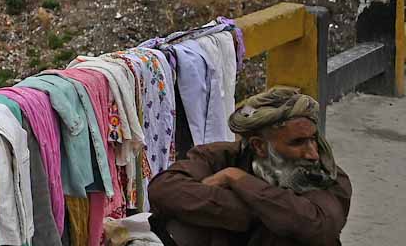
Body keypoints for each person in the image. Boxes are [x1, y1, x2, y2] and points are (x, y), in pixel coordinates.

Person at [148, 86, 351, 246]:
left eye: (313, 139)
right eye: (297, 142)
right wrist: (266, 212)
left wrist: (237, 179)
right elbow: (164, 189)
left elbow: (318, 226)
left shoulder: (324, 173)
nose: (312, 153)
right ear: (259, 146)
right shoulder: (219, 156)